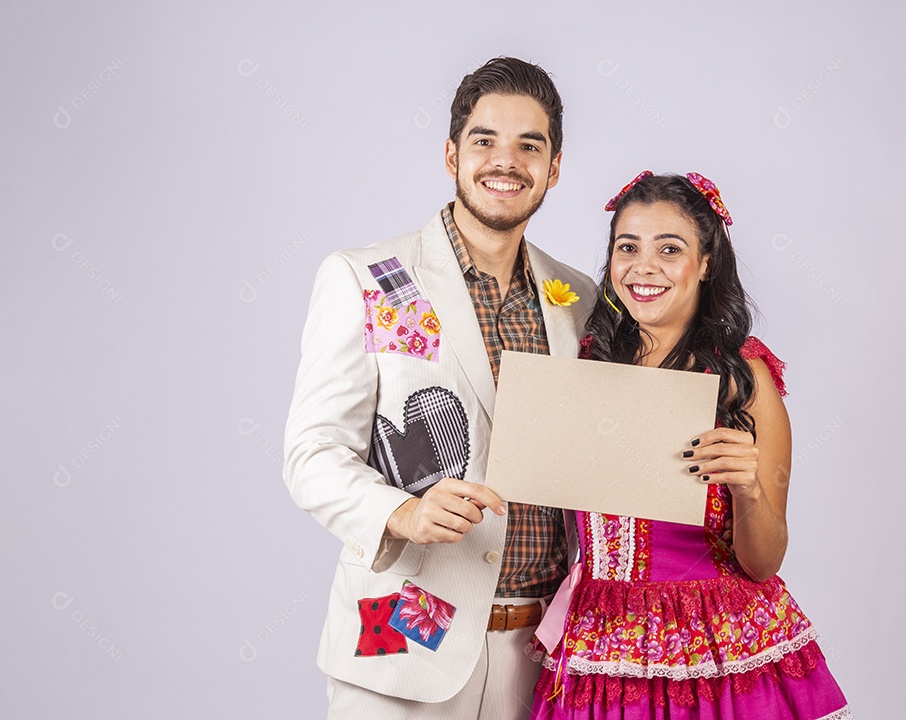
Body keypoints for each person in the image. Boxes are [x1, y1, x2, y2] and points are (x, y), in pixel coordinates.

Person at [282, 57, 595, 720]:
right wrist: (402, 513)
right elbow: (310, 455)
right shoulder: (367, 278)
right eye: (484, 141)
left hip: (543, 659)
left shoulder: (581, 300)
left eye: (528, 145)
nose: (503, 162)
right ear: (451, 153)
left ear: (555, 167)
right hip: (402, 639)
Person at [528, 172, 851, 719]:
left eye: (669, 249)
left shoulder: (743, 376)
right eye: (627, 247)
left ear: (705, 264)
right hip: (596, 644)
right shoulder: (585, 365)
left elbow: (765, 560)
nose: (644, 267)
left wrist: (748, 489)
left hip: (712, 645)